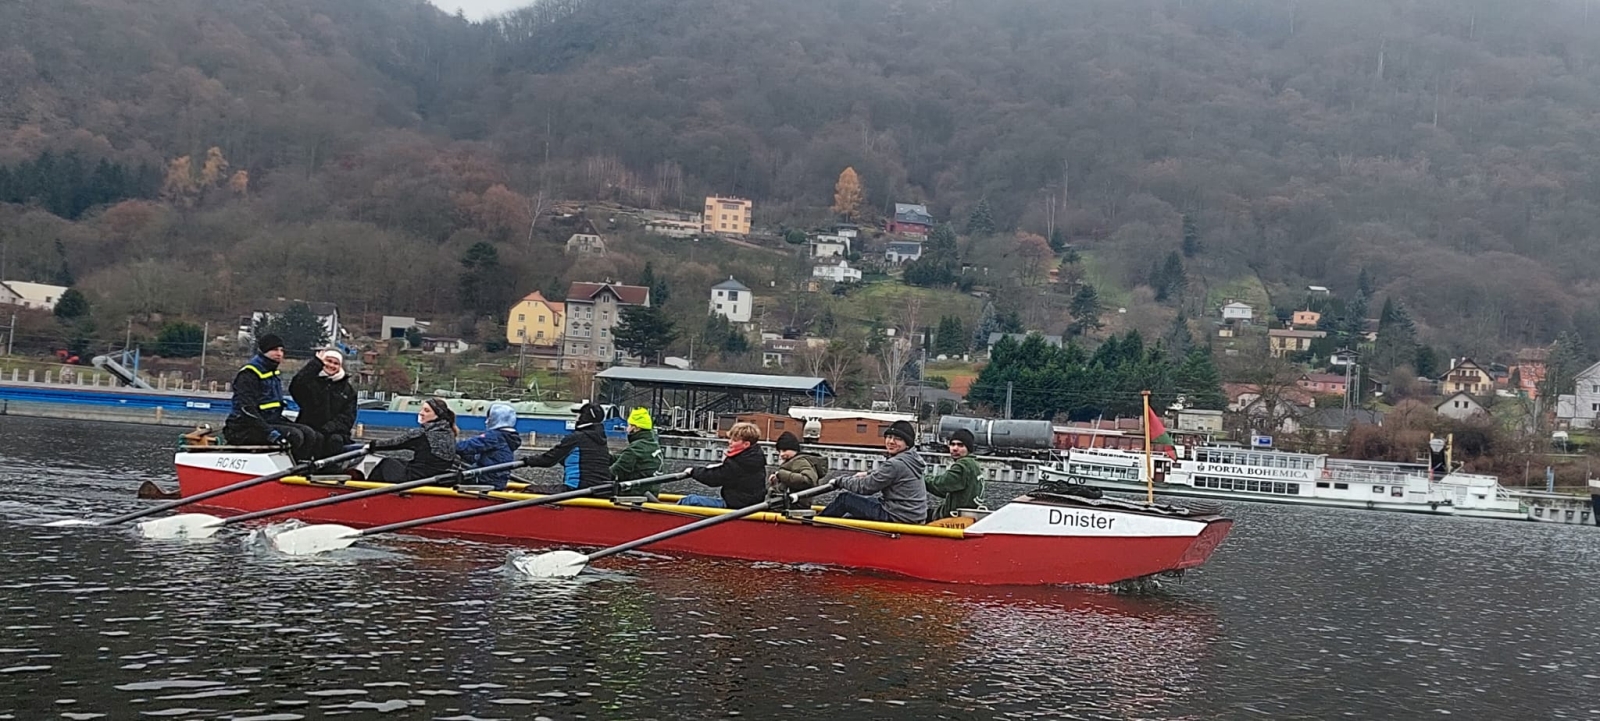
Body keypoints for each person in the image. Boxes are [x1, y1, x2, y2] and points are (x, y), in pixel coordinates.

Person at [224, 333, 321, 460]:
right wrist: (271, 433)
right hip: (244, 428)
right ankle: (286, 469)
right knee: (295, 436)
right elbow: (247, 410)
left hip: (270, 421)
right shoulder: (249, 374)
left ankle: (301, 468)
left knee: (310, 434)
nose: (279, 354)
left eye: (281, 350)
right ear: (263, 351)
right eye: (275, 350)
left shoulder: (273, 374)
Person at [819, 420, 927, 524]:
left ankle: (814, 526)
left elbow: (865, 487)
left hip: (897, 516)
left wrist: (840, 481)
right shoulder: (913, 459)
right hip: (912, 515)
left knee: (845, 499)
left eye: (898, 439)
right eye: (889, 437)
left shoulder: (895, 464)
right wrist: (868, 474)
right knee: (856, 510)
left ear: (907, 444)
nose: (891, 442)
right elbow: (888, 473)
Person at [367, 397, 461, 483]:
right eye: (422, 409)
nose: (421, 413)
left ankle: (365, 491)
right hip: (435, 477)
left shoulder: (423, 434)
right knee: (397, 461)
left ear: (437, 415)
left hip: (417, 480)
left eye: (426, 411)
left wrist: (371, 445)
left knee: (386, 463)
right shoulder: (450, 433)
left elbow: (395, 443)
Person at [678, 422, 766, 509]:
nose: (729, 442)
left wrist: (693, 471)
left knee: (689, 500)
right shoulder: (753, 457)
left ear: (746, 444)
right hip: (749, 504)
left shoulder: (739, 463)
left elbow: (714, 478)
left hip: (738, 506)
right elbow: (729, 472)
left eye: (734, 440)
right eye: (730, 439)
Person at [527, 401, 613, 490]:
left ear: (584, 418)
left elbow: (549, 460)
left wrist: (527, 461)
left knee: (529, 490)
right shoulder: (602, 440)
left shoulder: (576, 438)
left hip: (577, 488)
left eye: (578, 415)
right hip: (600, 490)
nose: (576, 418)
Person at [288, 348, 358, 457]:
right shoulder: (310, 382)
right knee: (314, 438)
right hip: (309, 428)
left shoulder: (348, 390)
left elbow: (347, 417)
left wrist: (328, 428)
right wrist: (315, 364)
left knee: (335, 441)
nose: (331, 365)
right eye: (328, 361)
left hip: (335, 433)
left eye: (336, 363)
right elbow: (296, 385)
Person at [455, 402, 522, 490]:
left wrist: (450, 446)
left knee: (451, 479)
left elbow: (468, 446)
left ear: (495, 418)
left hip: (485, 478)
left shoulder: (494, 436)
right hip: (499, 479)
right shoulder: (509, 437)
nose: (486, 421)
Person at [925, 428, 985, 521]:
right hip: (970, 517)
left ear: (968, 448)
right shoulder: (974, 464)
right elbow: (945, 491)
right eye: (952, 444)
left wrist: (920, 478)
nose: (955, 448)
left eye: (960, 445)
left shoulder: (963, 465)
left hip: (953, 519)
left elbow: (941, 484)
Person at [610, 407, 664, 493]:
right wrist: (604, 457)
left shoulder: (635, 449)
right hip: (651, 493)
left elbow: (614, 472)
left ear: (636, 428)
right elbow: (623, 459)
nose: (627, 429)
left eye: (628, 425)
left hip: (633, 496)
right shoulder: (653, 445)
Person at [767, 431, 826, 500]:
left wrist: (781, 474)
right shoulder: (792, 462)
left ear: (794, 449)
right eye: (779, 451)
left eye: (784, 450)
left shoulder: (801, 461)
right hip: (790, 503)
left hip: (795, 504)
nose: (781, 454)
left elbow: (809, 480)